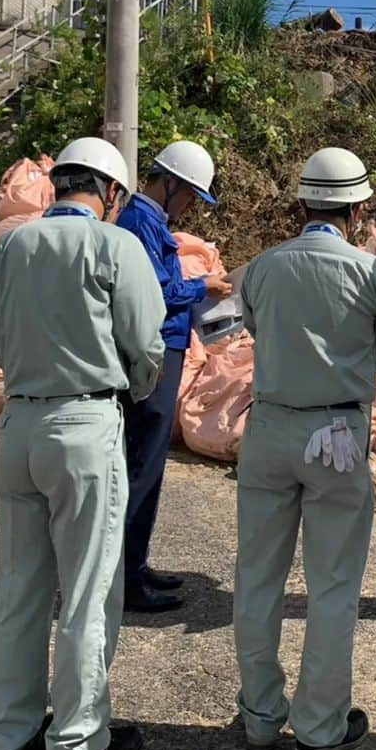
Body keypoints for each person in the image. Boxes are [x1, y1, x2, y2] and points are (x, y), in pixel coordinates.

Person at [0, 138, 166, 750]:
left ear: (59, 183)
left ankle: (5, 733)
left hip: (20, 424)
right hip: (86, 424)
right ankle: (78, 737)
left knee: (17, 588)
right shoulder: (116, 245)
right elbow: (147, 343)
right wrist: (124, 392)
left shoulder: (13, 243)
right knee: (87, 593)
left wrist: (34, 377)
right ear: (112, 193)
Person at [234, 147, 376, 750]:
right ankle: (322, 727)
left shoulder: (261, 268)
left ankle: (258, 715)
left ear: (302, 203)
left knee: (257, 578)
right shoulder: (372, 272)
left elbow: (252, 327)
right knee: (332, 586)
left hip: (272, 428)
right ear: (357, 210)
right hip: (338, 435)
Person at [116, 140, 231, 613]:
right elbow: (155, 289)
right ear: (170, 184)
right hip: (155, 351)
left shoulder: (150, 221)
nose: (189, 208)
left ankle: (135, 564)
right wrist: (201, 286)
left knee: (150, 463)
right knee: (141, 464)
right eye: (189, 197)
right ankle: (125, 578)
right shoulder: (139, 221)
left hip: (168, 349)